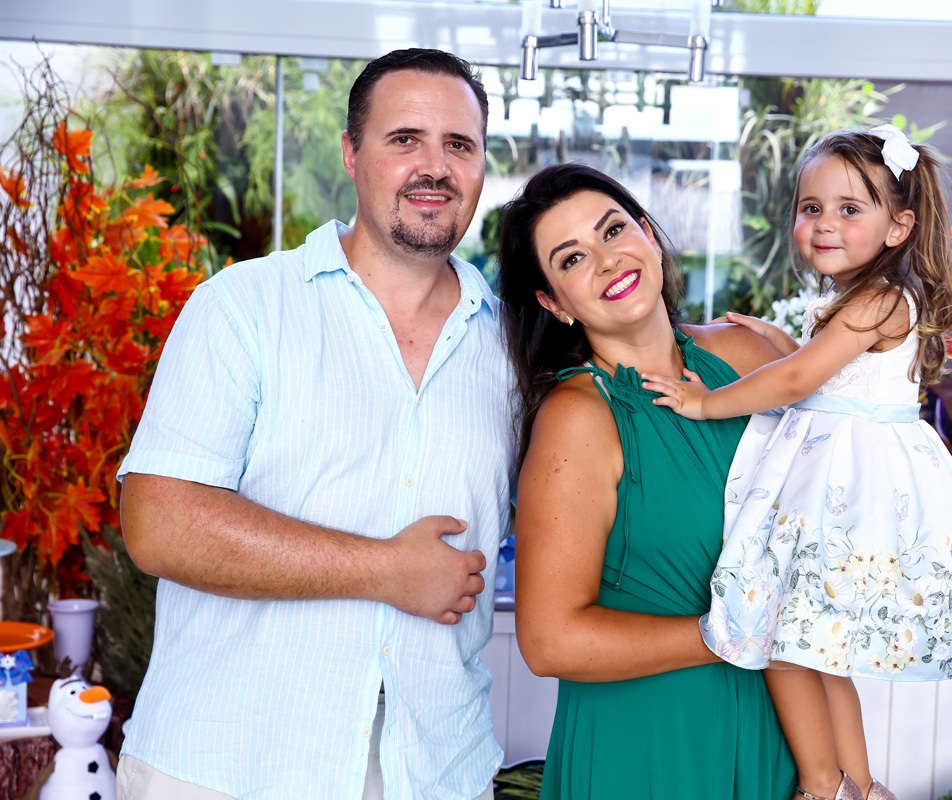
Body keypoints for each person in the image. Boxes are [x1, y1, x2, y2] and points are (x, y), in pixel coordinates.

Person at [115, 49, 515, 800]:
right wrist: (386, 570)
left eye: (459, 145)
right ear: (351, 154)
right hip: (223, 770)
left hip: (431, 772)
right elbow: (158, 523)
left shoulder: (513, 349)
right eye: (405, 139)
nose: (435, 167)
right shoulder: (243, 307)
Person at [642, 125, 952, 800]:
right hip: (841, 482)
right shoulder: (862, 301)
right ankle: (857, 786)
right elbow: (828, 375)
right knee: (817, 651)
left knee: (782, 638)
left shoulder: (879, 298)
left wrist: (704, 403)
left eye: (849, 209)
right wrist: (783, 340)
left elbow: (799, 381)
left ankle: (818, 782)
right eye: (812, 208)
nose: (825, 223)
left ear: (898, 227)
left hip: (846, 493)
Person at [496, 163, 798, 799]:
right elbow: (550, 641)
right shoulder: (579, 419)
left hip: (783, 725)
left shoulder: (749, 355)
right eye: (572, 258)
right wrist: (725, 635)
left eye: (613, 230)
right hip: (647, 747)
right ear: (554, 303)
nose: (607, 260)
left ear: (650, 237)